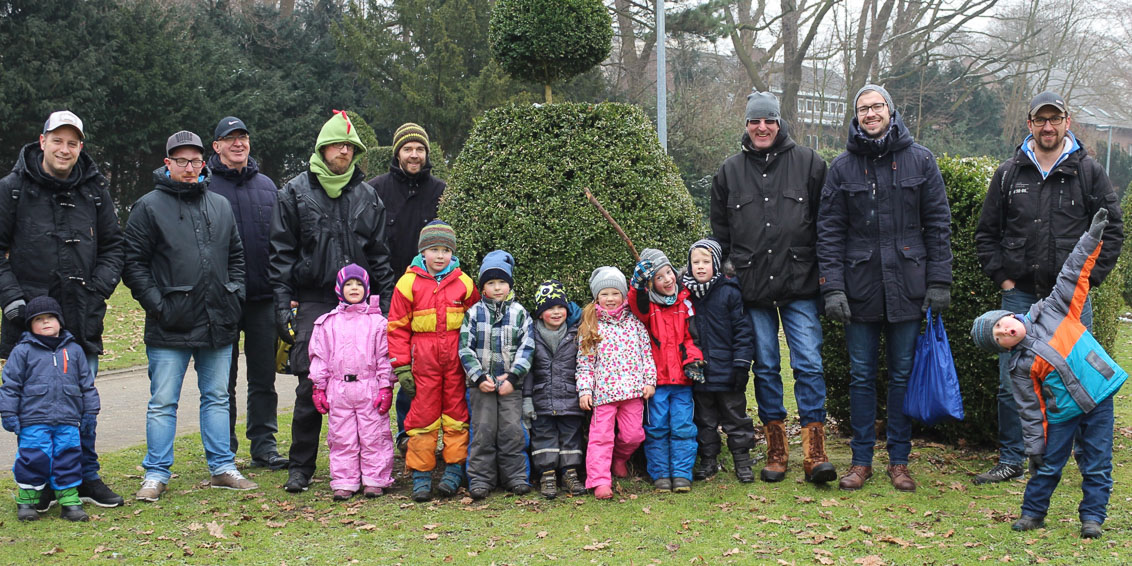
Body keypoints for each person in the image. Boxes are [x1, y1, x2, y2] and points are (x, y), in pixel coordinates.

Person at [973, 91, 1124, 485]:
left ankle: (1080, 458)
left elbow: (1113, 230)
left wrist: (1088, 282)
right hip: (1019, 296)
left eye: (1054, 119)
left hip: (1069, 303)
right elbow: (986, 234)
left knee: (1078, 380)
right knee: (1012, 383)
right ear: (1030, 125)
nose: (1048, 127)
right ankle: (1012, 459)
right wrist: (1003, 280)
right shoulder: (1009, 173)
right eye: (1040, 120)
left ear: (1066, 122)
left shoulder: (1088, 172)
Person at [817, 84, 953, 492]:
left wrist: (939, 280)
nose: (871, 114)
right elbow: (828, 233)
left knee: (902, 375)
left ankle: (899, 459)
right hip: (859, 289)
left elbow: (939, 225)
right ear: (855, 116)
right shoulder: (841, 168)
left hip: (909, 288)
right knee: (861, 377)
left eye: (877, 107)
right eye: (863, 108)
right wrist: (832, 289)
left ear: (891, 112)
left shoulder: (921, 161)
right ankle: (861, 460)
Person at [970, 209, 1124, 539]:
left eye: (1000, 324)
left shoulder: (1056, 308)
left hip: (1099, 397)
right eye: (997, 337)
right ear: (1003, 348)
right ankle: (1033, 513)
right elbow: (1030, 412)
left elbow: (1073, 271)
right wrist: (1035, 449)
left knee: (1096, 462)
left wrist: (1092, 236)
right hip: (1063, 413)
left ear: (1010, 315)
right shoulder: (1020, 368)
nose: (1003, 331)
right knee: (1048, 465)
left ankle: (1093, 518)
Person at [0, 110, 125, 509]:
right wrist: (13, 300)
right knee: (35, 405)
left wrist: (99, 288)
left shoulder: (94, 190)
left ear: (80, 147)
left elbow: (113, 246)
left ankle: (84, 476)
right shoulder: (12, 189)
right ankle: (40, 486)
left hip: (82, 314)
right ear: (42, 141)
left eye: (72, 142)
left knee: (82, 405)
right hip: (29, 319)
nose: (64, 149)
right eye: (58, 140)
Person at [123, 131, 256, 502]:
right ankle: (155, 473)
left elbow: (237, 257)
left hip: (219, 319)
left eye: (195, 161)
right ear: (167, 163)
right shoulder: (147, 207)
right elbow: (133, 265)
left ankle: (222, 467)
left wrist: (235, 295)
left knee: (216, 396)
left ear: (204, 163)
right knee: (163, 401)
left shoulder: (219, 205)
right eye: (181, 161)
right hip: (170, 322)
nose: (189, 167)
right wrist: (159, 306)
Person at [709, 91, 834, 484]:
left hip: (801, 284)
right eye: (754, 121)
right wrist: (728, 273)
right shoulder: (729, 172)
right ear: (745, 125)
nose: (762, 128)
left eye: (769, 121)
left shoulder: (811, 164)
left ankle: (815, 452)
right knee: (764, 367)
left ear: (780, 123)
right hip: (752, 288)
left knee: (808, 364)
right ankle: (776, 450)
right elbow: (720, 233)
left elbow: (826, 224)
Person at [269, 110, 396, 493]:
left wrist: (387, 305)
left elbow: (379, 255)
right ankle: (301, 466)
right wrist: (281, 303)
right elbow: (281, 253)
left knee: (368, 386)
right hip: (313, 299)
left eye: (350, 147)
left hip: (361, 303)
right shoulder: (293, 192)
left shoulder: (366, 195)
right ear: (323, 148)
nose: (344, 151)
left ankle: (369, 467)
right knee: (312, 382)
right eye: (338, 144)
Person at [208, 116, 287, 471]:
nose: (238, 143)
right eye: (230, 138)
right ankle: (223, 448)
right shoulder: (204, 186)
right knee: (221, 381)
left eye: (243, 137)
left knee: (262, 378)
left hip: (262, 298)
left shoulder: (268, 187)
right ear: (217, 146)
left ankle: (264, 446)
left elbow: (281, 242)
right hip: (220, 299)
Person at [387, 221, 479, 502]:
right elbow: (397, 327)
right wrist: (401, 366)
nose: (440, 256)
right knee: (422, 420)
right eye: (434, 250)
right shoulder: (408, 283)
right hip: (422, 366)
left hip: (456, 365)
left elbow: (476, 322)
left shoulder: (464, 283)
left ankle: (454, 469)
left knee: (457, 417)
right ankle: (421, 474)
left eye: (445, 250)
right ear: (422, 252)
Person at [367, 123, 446, 452]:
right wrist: (385, 289)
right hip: (391, 293)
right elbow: (370, 244)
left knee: (434, 367)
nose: (414, 155)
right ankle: (404, 433)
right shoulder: (376, 189)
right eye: (408, 149)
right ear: (396, 152)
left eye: (420, 149)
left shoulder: (441, 190)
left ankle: (437, 434)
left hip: (432, 294)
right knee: (400, 368)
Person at [0, 297, 99, 522]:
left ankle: (69, 500)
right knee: (33, 458)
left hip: (68, 419)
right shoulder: (23, 351)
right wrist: (8, 413)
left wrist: (90, 412)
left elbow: (87, 385)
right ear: (30, 326)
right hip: (34, 420)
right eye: (38, 319)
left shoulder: (73, 350)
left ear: (60, 321)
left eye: (50, 318)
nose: (45, 323)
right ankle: (27, 499)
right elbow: (11, 385)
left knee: (68, 458)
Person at [308, 264, 395, 501]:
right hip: (339, 389)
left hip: (369, 387)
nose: (354, 288)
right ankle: (345, 480)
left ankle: (374, 479)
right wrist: (319, 386)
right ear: (340, 288)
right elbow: (320, 356)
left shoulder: (377, 323)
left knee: (373, 434)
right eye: (349, 284)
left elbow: (384, 357)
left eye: (359, 284)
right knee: (341, 436)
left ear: (367, 288)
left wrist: (386, 386)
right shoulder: (328, 323)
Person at [459, 250, 536, 499]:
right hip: (481, 387)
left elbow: (528, 348)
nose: (497, 287)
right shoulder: (473, 313)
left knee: (512, 431)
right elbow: (464, 348)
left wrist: (513, 378)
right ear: (483, 287)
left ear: (509, 284)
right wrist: (479, 377)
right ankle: (481, 479)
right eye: (491, 283)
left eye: (502, 282)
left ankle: (515, 477)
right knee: (482, 431)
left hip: (510, 387)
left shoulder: (520, 314)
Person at [681, 239, 758, 483]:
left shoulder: (729, 292)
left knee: (735, 418)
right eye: (695, 262)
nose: (700, 267)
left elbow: (743, 331)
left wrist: (741, 364)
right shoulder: (685, 295)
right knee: (705, 420)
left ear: (716, 264)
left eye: (706, 262)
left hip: (727, 370)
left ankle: (742, 460)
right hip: (700, 372)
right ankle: (708, 459)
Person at [628, 249, 703, 493]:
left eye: (669, 272)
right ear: (652, 284)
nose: (668, 279)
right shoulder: (648, 308)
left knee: (682, 426)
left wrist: (693, 361)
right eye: (659, 277)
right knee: (657, 427)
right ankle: (660, 473)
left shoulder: (685, 302)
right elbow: (635, 304)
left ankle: (681, 473)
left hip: (682, 381)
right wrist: (636, 286)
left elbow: (692, 338)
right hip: (657, 382)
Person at [577, 266, 655, 500]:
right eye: (604, 294)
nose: (610, 299)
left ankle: (619, 458)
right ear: (597, 297)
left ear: (623, 295)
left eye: (615, 293)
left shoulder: (635, 325)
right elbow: (585, 363)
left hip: (632, 392)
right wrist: (584, 390)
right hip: (603, 395)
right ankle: (600, 480)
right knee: (601, 438)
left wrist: (649, 381)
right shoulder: (591, 326)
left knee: (634, 435)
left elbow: (647, 355)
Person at [524, 279, 586, 499]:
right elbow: (528, 370)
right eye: (550, 308)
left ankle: (570, 474)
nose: (557, 312)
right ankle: (547, 474)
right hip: (542, 398)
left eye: (561, 307)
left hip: (571, 397)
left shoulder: (576, 332)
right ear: (541, 313)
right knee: (544, 436)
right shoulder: (531, 334)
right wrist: (527, 398)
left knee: (571, 436)